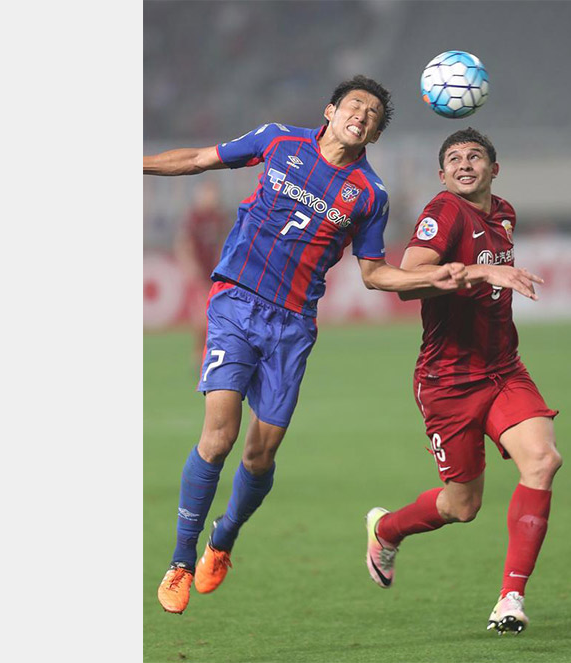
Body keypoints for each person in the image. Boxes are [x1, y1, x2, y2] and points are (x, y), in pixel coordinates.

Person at [143, 75, 469, 614]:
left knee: (260, 451)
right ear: (331, 110)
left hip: (292, 326)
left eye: (372, 115)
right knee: (219, 435)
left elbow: (374, 273)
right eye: (354, 106)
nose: (361, 116)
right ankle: (180, 559)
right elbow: (200, 159)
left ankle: (223, 540)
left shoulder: (369, 195)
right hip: (235, 303)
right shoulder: (279, 140)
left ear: (375, 135)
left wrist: (430, 280)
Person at [364, 128, 562, 635]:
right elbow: (410, 278)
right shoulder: (444, 213)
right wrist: (479, 273)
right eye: (453, 158)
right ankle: (386, 529)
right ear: (442, 175)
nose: (464, 163)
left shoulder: (504, 213)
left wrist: (489, 274)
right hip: (449, 380)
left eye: (475, 156)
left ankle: (510, 599)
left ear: (495, 169)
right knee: (462, 505)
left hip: (503, 369)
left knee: (542, 459)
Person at [174, 180, 230, 366]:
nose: (210, 198)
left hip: (217, 272)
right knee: (202, 315)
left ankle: (212, 352)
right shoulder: (194, 218)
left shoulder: (220, 218)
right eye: (207, 193)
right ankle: (200, 353)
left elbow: (227, 240)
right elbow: (184, 244)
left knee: (217, 313)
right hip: (200, 272)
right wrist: (190, 266)